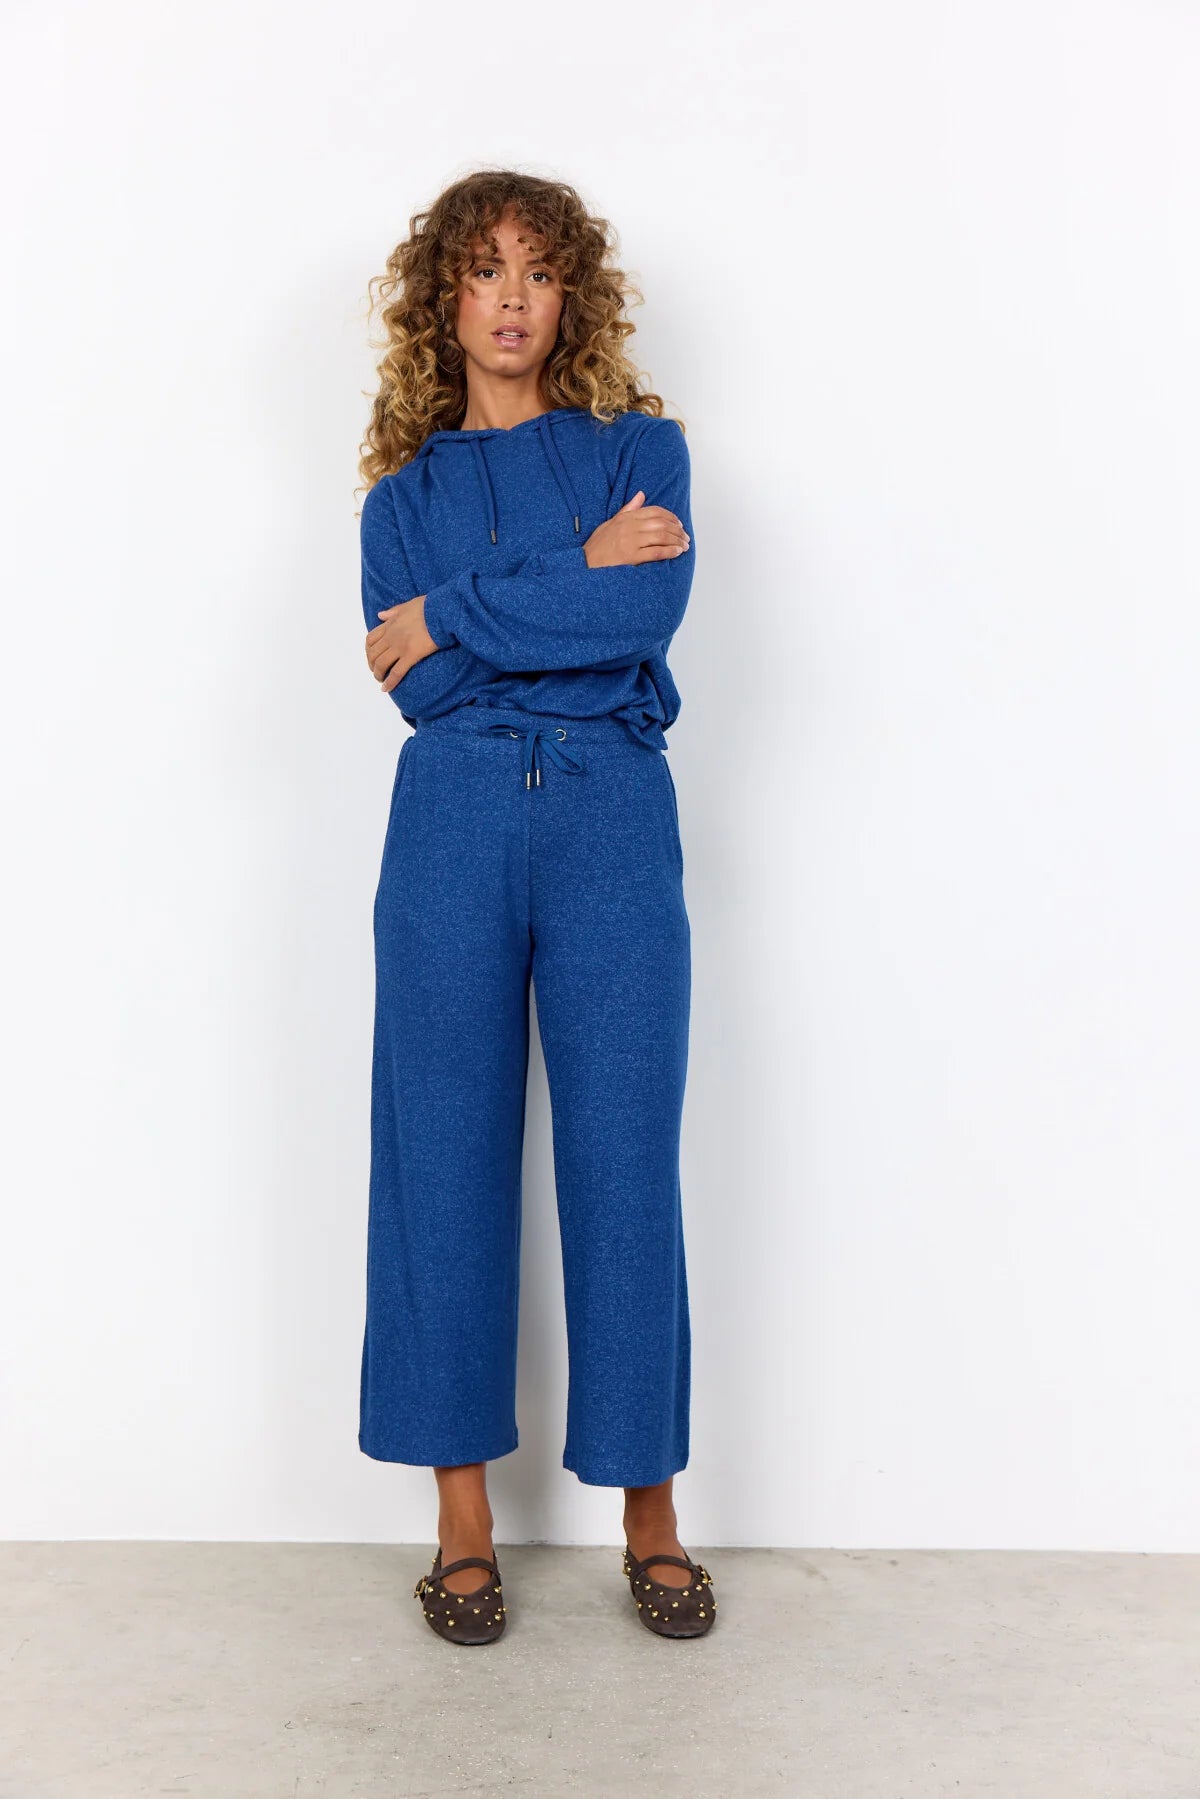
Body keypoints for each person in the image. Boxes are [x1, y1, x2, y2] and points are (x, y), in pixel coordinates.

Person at [354, 170, 716, 1645]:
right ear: (445, 302)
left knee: (627, 1158)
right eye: (484, 271)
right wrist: (549, 590)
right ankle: (460, 1521)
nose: (511, 296)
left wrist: (455, 605)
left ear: (575, 298)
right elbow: (416, 684)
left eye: (540, 271)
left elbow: (639, 616)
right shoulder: (399, 499)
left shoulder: (649, 451)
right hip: (448, 823)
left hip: (615, 822)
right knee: (439, 1159)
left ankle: (653, 1512)